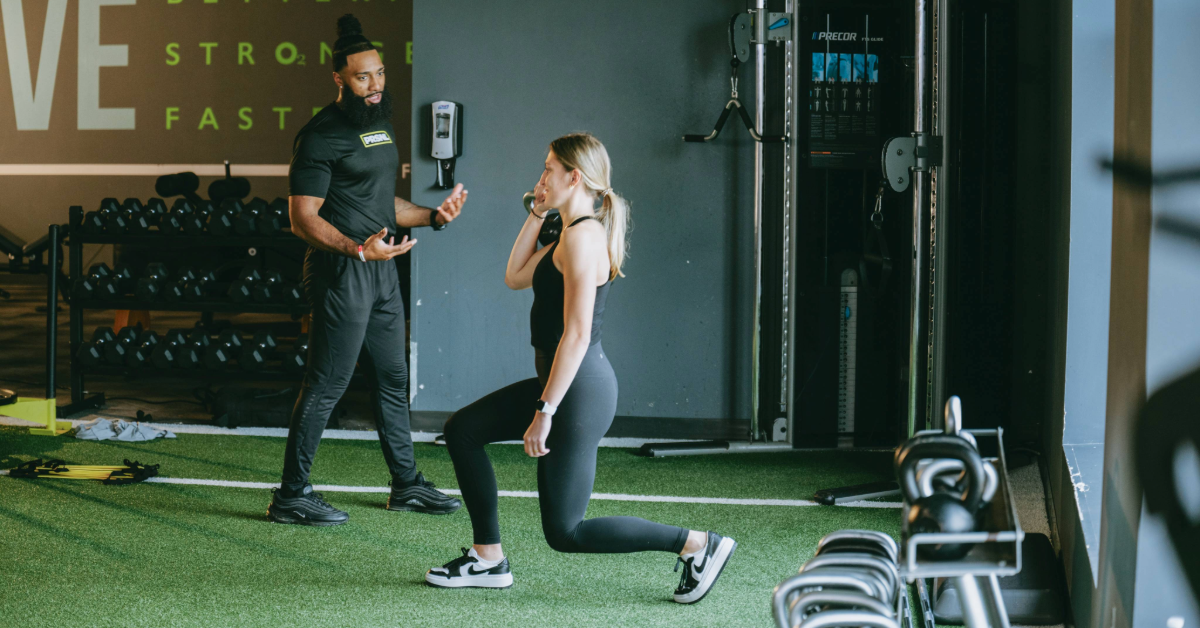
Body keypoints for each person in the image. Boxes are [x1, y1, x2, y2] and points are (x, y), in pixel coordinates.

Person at [425, 133, 736, 604]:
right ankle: (487, 557)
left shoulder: (585, 239)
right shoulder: (568, 233)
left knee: (566, 532)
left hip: (577, 394)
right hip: (563, 384)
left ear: (574, 176)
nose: (541, 177)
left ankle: (697, 544)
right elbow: (513, 276)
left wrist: (545, 410)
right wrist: (537, 212)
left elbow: (577, 335)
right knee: (463, 430)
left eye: (549, 168)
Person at [267, 14, 464, 526]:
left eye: (379, 74)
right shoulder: (318, 136)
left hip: (382, 269)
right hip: (342, 272)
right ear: (339, 80)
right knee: (327, 383)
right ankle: (292, 494)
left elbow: (382, 203)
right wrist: (357, 251)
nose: (375, 86)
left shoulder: (378, 125)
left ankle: (405, 485)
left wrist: (432, 216)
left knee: (393, 378)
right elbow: (301, 219)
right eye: (362, 78)